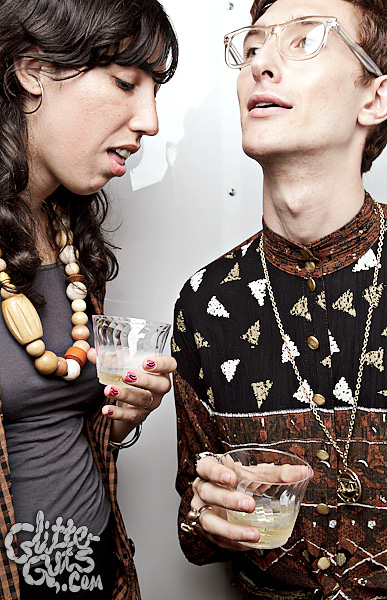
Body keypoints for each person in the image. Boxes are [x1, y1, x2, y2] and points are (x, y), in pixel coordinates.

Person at [172, 0, 387, 598]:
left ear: (375, 98)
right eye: (252, 46)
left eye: (304, 40)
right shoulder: (205, 301)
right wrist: (207, 512)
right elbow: (194, 537)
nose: (260, 63)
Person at [0, 0, 178, 598]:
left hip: (100, 568)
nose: (150, 121)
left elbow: (49, 420)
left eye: (154, 91)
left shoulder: (67, 230)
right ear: (33, 69)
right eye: (126, 83)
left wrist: (117, 415)